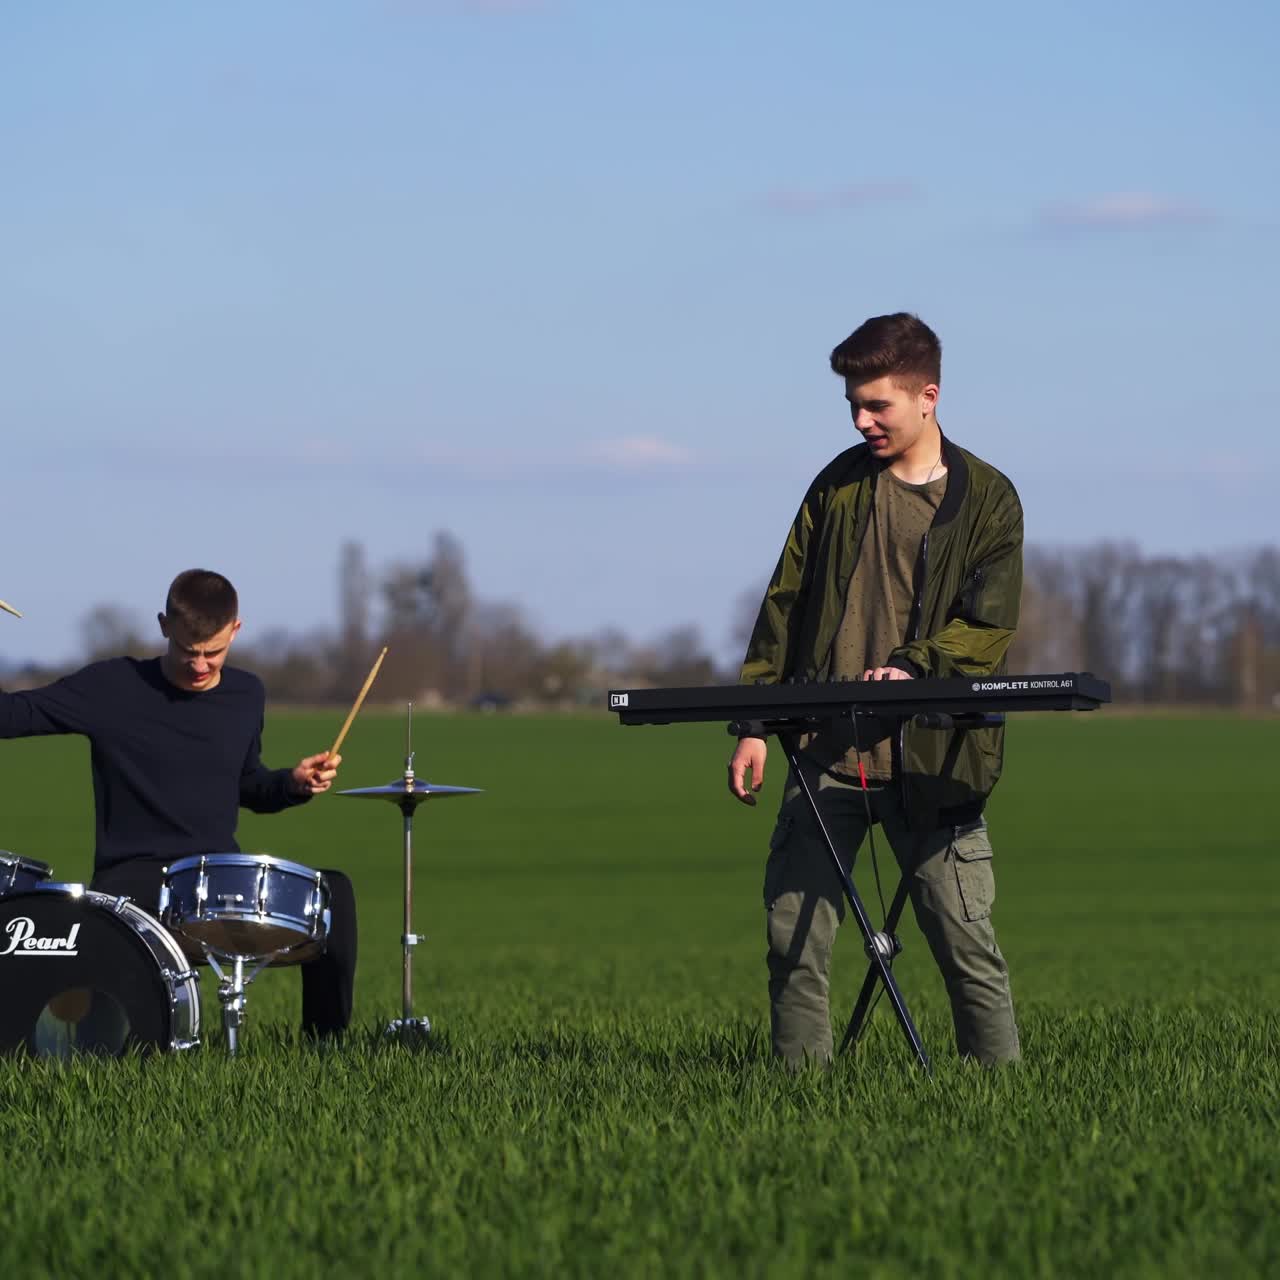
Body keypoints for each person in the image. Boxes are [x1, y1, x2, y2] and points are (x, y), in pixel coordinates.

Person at [728, 312, 1023, 1066]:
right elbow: (783, 604)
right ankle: (802, 1102)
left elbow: (987, 627)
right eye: (854, 406)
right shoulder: (838, 485)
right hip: (822, 756)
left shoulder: (989, 498)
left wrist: (915, 666)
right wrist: (755, 724)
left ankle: (1006, 1101)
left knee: (966, 946)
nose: (862, 420)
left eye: (877, 405)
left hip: (935, 761)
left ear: (929, 396)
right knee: (793, 939)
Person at [0, 568, 357, 1038]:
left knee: (335, 894)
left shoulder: (247, 693)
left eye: (214, 652)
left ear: (236, 630)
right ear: (164, 626)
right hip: (132, 882)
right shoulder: (112, 686)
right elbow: (12, 716)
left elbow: (246, 784)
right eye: (189, 652)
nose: (201, 665)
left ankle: (326, 1047)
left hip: (212, 878)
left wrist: (292, 783)